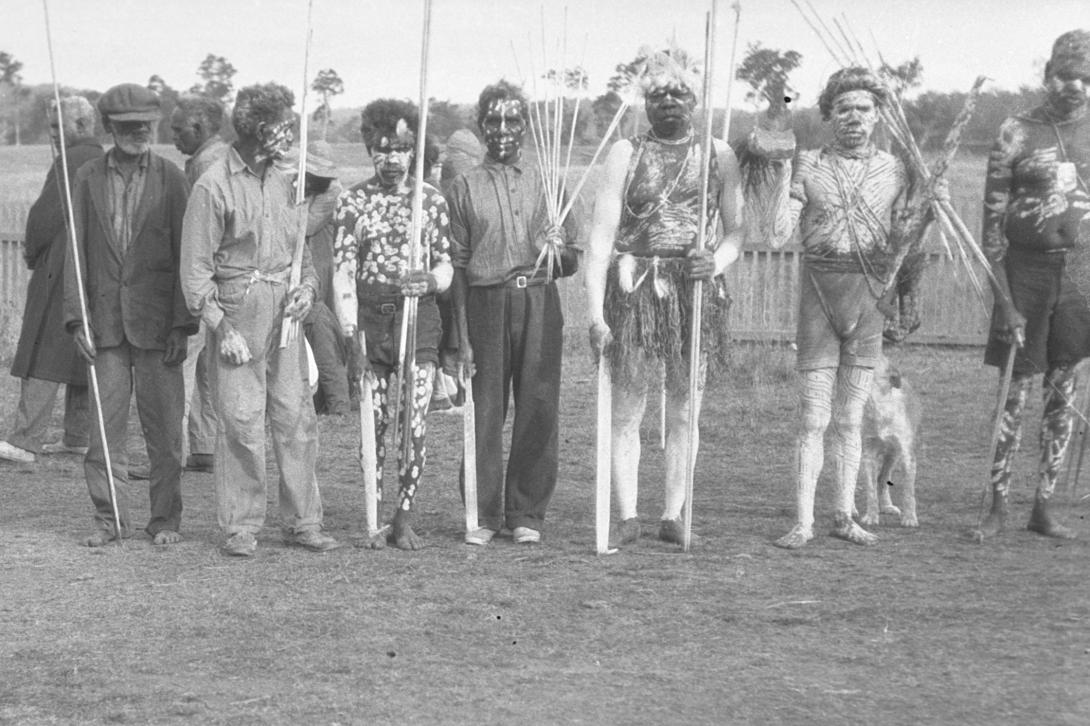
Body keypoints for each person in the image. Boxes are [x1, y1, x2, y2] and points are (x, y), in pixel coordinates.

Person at [585, 48, 744, 546]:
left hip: (693, 290)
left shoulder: (719, 155)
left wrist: (713, 262)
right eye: (657, 95)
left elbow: (737, 233)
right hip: (635, 289)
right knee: (628, 405)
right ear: (644, 103)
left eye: (678, 94)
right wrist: (595, 314)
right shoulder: (625, 154)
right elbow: (599, 241)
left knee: (683, 407)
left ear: (694, 99)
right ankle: (628, 514)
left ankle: (674, 513)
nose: (668, 103)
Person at [181, 82, 341, 557]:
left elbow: (303, 257)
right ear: (254, 130)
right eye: (281, 126)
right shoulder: (213, 185)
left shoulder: (288, 181)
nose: (289, 134)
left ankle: (304, 521)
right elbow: (194, 272)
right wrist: (220, 326)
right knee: (241, 421)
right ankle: (241, 526)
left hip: (285, 315)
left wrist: (307, 293)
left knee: (296, 416)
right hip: (237, 313)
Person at [771, 67, 914, 549]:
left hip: (868, 297)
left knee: (852, 418)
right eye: (844, 108)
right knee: (814, 417)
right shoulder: (810, 164)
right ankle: (804, 522)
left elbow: (907, 237)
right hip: (820, 294)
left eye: (864, 109)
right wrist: (785, 187)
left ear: (878, 116)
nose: (854, 117)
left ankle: (843, 515)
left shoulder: (895, 169)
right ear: (829, 115)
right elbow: (776, 233)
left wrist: (931, 203)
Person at [448, 81, 582, 546]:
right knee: (484, 410)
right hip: (486, 302)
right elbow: (458, 267)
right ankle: (482, 513)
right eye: (493, 121)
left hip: (539, 300)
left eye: (512, 120)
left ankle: (526, 511)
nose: (502, 130)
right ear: (482, 126)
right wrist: (460, 338)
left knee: (538, 406)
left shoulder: (549, 184)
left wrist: (558, 249)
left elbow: (572, 261)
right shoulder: (464, 187)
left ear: (524, 125)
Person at [63, 83, 194, 546]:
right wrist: (77, 319)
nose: (139, 132)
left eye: (146, 125)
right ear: (109, 128)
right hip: (105, 328)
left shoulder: (172, 178)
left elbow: (188, 255)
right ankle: (108, 520)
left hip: (161, 329)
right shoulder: (85, 179)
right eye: (128, 126)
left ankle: (165, 521)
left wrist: (183, 323)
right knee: (104, 433)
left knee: (165, 435)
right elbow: (74, 253)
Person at [978, 29, 1090, 540]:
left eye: (1087, 78)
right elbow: (991, 226)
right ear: (1047, 75)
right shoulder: (1015, 132)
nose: (1077, 87)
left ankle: (1042, 507)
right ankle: (997, 504)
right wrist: (1005, 298)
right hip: (1025, 272)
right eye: (1067, 75)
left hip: (1080, 273)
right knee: (1016, 391)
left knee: (1064, 390)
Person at [332, 99, 452, 550]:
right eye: (382, 150)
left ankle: (405, 515)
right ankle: (372, 514)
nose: (392, 160)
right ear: (369, 150)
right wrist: (350, 339)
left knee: (414, 419)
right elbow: (342, 272)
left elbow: (446, 264)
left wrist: (431, 281)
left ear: (414, 150)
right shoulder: (354, 202)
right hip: (370, 323)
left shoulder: (432, 202)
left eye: (402, 149)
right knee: (375, 419)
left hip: (419, 320)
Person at [0, 97, 100, 465]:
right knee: (82, 349)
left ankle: (26, 440)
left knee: (43, 346)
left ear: (81, 126)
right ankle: (78, 436)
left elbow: (44, 218)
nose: (54, 136)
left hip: (59, 262)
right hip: (92, 266)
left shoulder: (70, 161)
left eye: (59, 127)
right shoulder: (102, 158)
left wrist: (32, 252)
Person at [171, 94, 230, 472]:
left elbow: (198, 235)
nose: (173, 137)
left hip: (205, 282)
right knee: (209, 368)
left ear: (201, 128)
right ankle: (205, 447)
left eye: (178, 130)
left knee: (183, 365)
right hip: (224, 285)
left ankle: (172, 451)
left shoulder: (206, 167)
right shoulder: (222, 158)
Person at [300, 140, 351, 416]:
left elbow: (304, 224)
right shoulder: (313, 194)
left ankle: (338, 400)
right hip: (315, 265)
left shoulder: (332, 192)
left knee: (325, 331)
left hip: (323, 266)